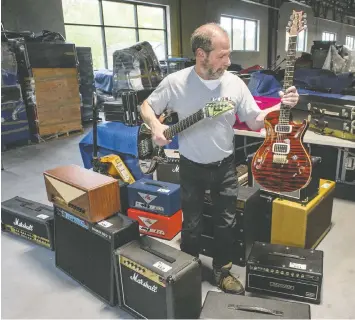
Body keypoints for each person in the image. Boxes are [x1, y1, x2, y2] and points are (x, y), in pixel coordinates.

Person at [140, 23, 299, 295]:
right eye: (222, 55)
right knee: (191, 221)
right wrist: (156, 127)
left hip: (225, 166)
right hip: (190, 165)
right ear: (201, 54)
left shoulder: (235, 83)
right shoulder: (176, 83)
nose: (228, 61)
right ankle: (188, 266)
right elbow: (147, 106)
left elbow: (253, 119)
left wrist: (279, 106)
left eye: (229, 54)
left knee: (226, 222)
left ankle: (222, 271)